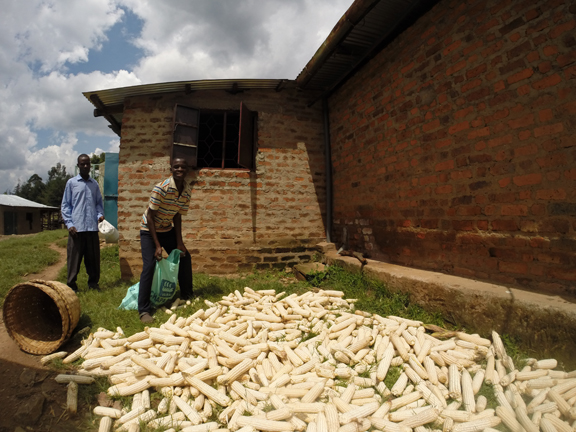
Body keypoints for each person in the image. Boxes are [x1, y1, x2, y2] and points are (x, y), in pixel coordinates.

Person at [138, 157, 194, 323]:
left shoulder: (186, 191)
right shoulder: (161, 188)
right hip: (149, 230)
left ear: (187, 170)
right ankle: (144, 311)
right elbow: (150, 217)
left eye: (182, 167)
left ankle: (187, 295)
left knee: (185, 256)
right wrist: (157, 246)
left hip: (167, 229)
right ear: (171, 169)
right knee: (149, 266)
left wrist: (179, 243)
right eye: (176, 167)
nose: (179, 170)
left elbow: (177, 215)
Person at [61, 154, 105, 291]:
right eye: (82, 164)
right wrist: (69, 224)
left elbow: (98, 203)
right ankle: (72, 285)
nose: (85, 166)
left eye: (87, 164)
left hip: (92, 228)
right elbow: (65, 205)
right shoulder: (72, 183)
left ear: (90, 165)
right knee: (74, 259)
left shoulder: (94, 184)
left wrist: (100, 215)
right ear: (78, 165)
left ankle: (93, 284)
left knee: (93, 260)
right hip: (77, 229)